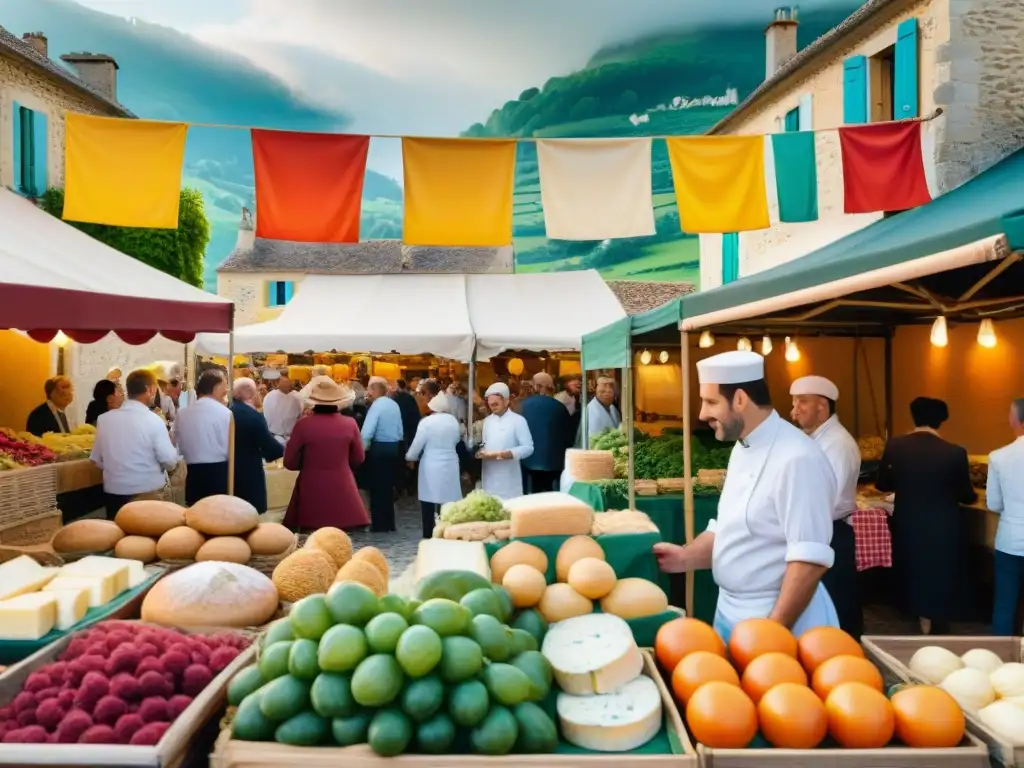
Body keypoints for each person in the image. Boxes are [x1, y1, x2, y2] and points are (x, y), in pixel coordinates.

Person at [653, 351, 838, 643]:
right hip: (730, 611)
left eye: (711, 402)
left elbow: (809, 559)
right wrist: (685, 557)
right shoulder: (742, 447)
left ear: (740, 399)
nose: (702, 414)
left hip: (778, 623)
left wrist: (773, 631)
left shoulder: (797, 459)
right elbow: (731, 528)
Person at [876, 396, 976, 635]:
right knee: (938, 569)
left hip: (908, 520)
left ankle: (918, 617)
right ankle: (935, 619)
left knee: (913, 566)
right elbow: (965, 494)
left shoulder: (895, 446)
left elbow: (882, 484)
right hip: (944, 523)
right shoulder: (955, 453)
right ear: (941, 421)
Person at [790, 375, 863, 638]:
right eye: (794, 402)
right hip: (819, 531)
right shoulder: (815, 438)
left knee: (836, 604)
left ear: (822, 406)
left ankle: (845, 660)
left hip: (831, 532)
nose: (794, 410)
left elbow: (826, 499)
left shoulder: (838, 444)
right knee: (820, 605)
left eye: (802, 402)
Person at [90, 368, 179, 518]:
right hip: (147, 494)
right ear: (150, 389)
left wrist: (119, 470)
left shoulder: (104, 419)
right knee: (145, 540)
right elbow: (170, 462)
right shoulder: (154, 420)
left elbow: (96, 459)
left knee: (117, 538)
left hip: (114, 493)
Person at [283, 377, 368, 532]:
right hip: (342, 486)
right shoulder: (350, 424)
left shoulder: (303, 424)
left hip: (310, 487)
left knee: (311, 535)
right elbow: (359, 457)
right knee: (341, 539)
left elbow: (289, 461)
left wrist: (306, 463)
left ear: (313, 402)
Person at [988, 398, 1024, 635]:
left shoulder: (998, 456)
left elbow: (993, 503)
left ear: (1014, 420)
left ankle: (1000, 661)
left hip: (1010, 541)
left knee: (1004, 605)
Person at [406, 393, 463, 538]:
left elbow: (417, 444)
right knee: (449, 499)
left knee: (428, 499)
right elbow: (457, 440)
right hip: (450, 462)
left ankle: (428, 532)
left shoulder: (426, 422)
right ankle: (447, 532)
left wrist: (409, 457)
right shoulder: (453, 421)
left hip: (430, 463)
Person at [173, 370, 231, 505]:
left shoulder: (182, 414)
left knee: (196, 517)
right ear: (216, 388)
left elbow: (175, 442)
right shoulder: (226, 413)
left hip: (194, 475)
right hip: (220, 475)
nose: (226, 391)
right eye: (224, 388)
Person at [230, 378, 285, 514]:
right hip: (249, 472)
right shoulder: (253, 416)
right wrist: (283, 449)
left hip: (227, 470)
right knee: (250, 513)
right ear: (250, 394)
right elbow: (271, 448)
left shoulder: (228, 410)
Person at [361, 376, 404, 532]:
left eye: (369, 390)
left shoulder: (376, 406)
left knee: (377, 488)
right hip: (394, 448)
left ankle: (379, 524)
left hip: (379, 448)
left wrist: (361, 450)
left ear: (374, 390)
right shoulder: (394, 405)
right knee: (388, 487)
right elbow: (400, 430)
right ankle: (389, 522)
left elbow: (367, 432)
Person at [520, 372, 574, 494]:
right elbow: (569, 436)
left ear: (536, 386)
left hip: (527, 462)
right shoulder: (559, 407)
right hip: (555, 464)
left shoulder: (522, 406)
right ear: (551, 387)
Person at [478, 382, 534, 499]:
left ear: (506, 401)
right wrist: (481, 452)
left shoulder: (518, 421)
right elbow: (485, 444)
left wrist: (507, 454)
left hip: (509, 479)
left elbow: (528, 448)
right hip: (489, 476)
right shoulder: (487, 421)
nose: (493, 407)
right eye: (490, 404)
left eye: (496, 404)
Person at [263, 374, 303, 444]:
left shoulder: (269, 396)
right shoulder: (297, 397)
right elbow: (300, 415)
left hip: (274, 436)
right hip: (287, 437)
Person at [585, 375, 621, 445]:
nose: (608, 390)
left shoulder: (613, 408)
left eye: (611, 386)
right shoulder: (590, 411)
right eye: (603, 386)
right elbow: (593, 444)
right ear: (595, 389)